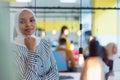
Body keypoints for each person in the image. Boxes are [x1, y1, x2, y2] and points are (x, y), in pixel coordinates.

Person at [12, 8, 59, 80]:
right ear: (16, 25)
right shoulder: (12, 49)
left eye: (31, 20)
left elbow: (55, 73)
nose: (28, 24)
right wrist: (31, 51)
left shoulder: (44, 43)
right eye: (22, 22)